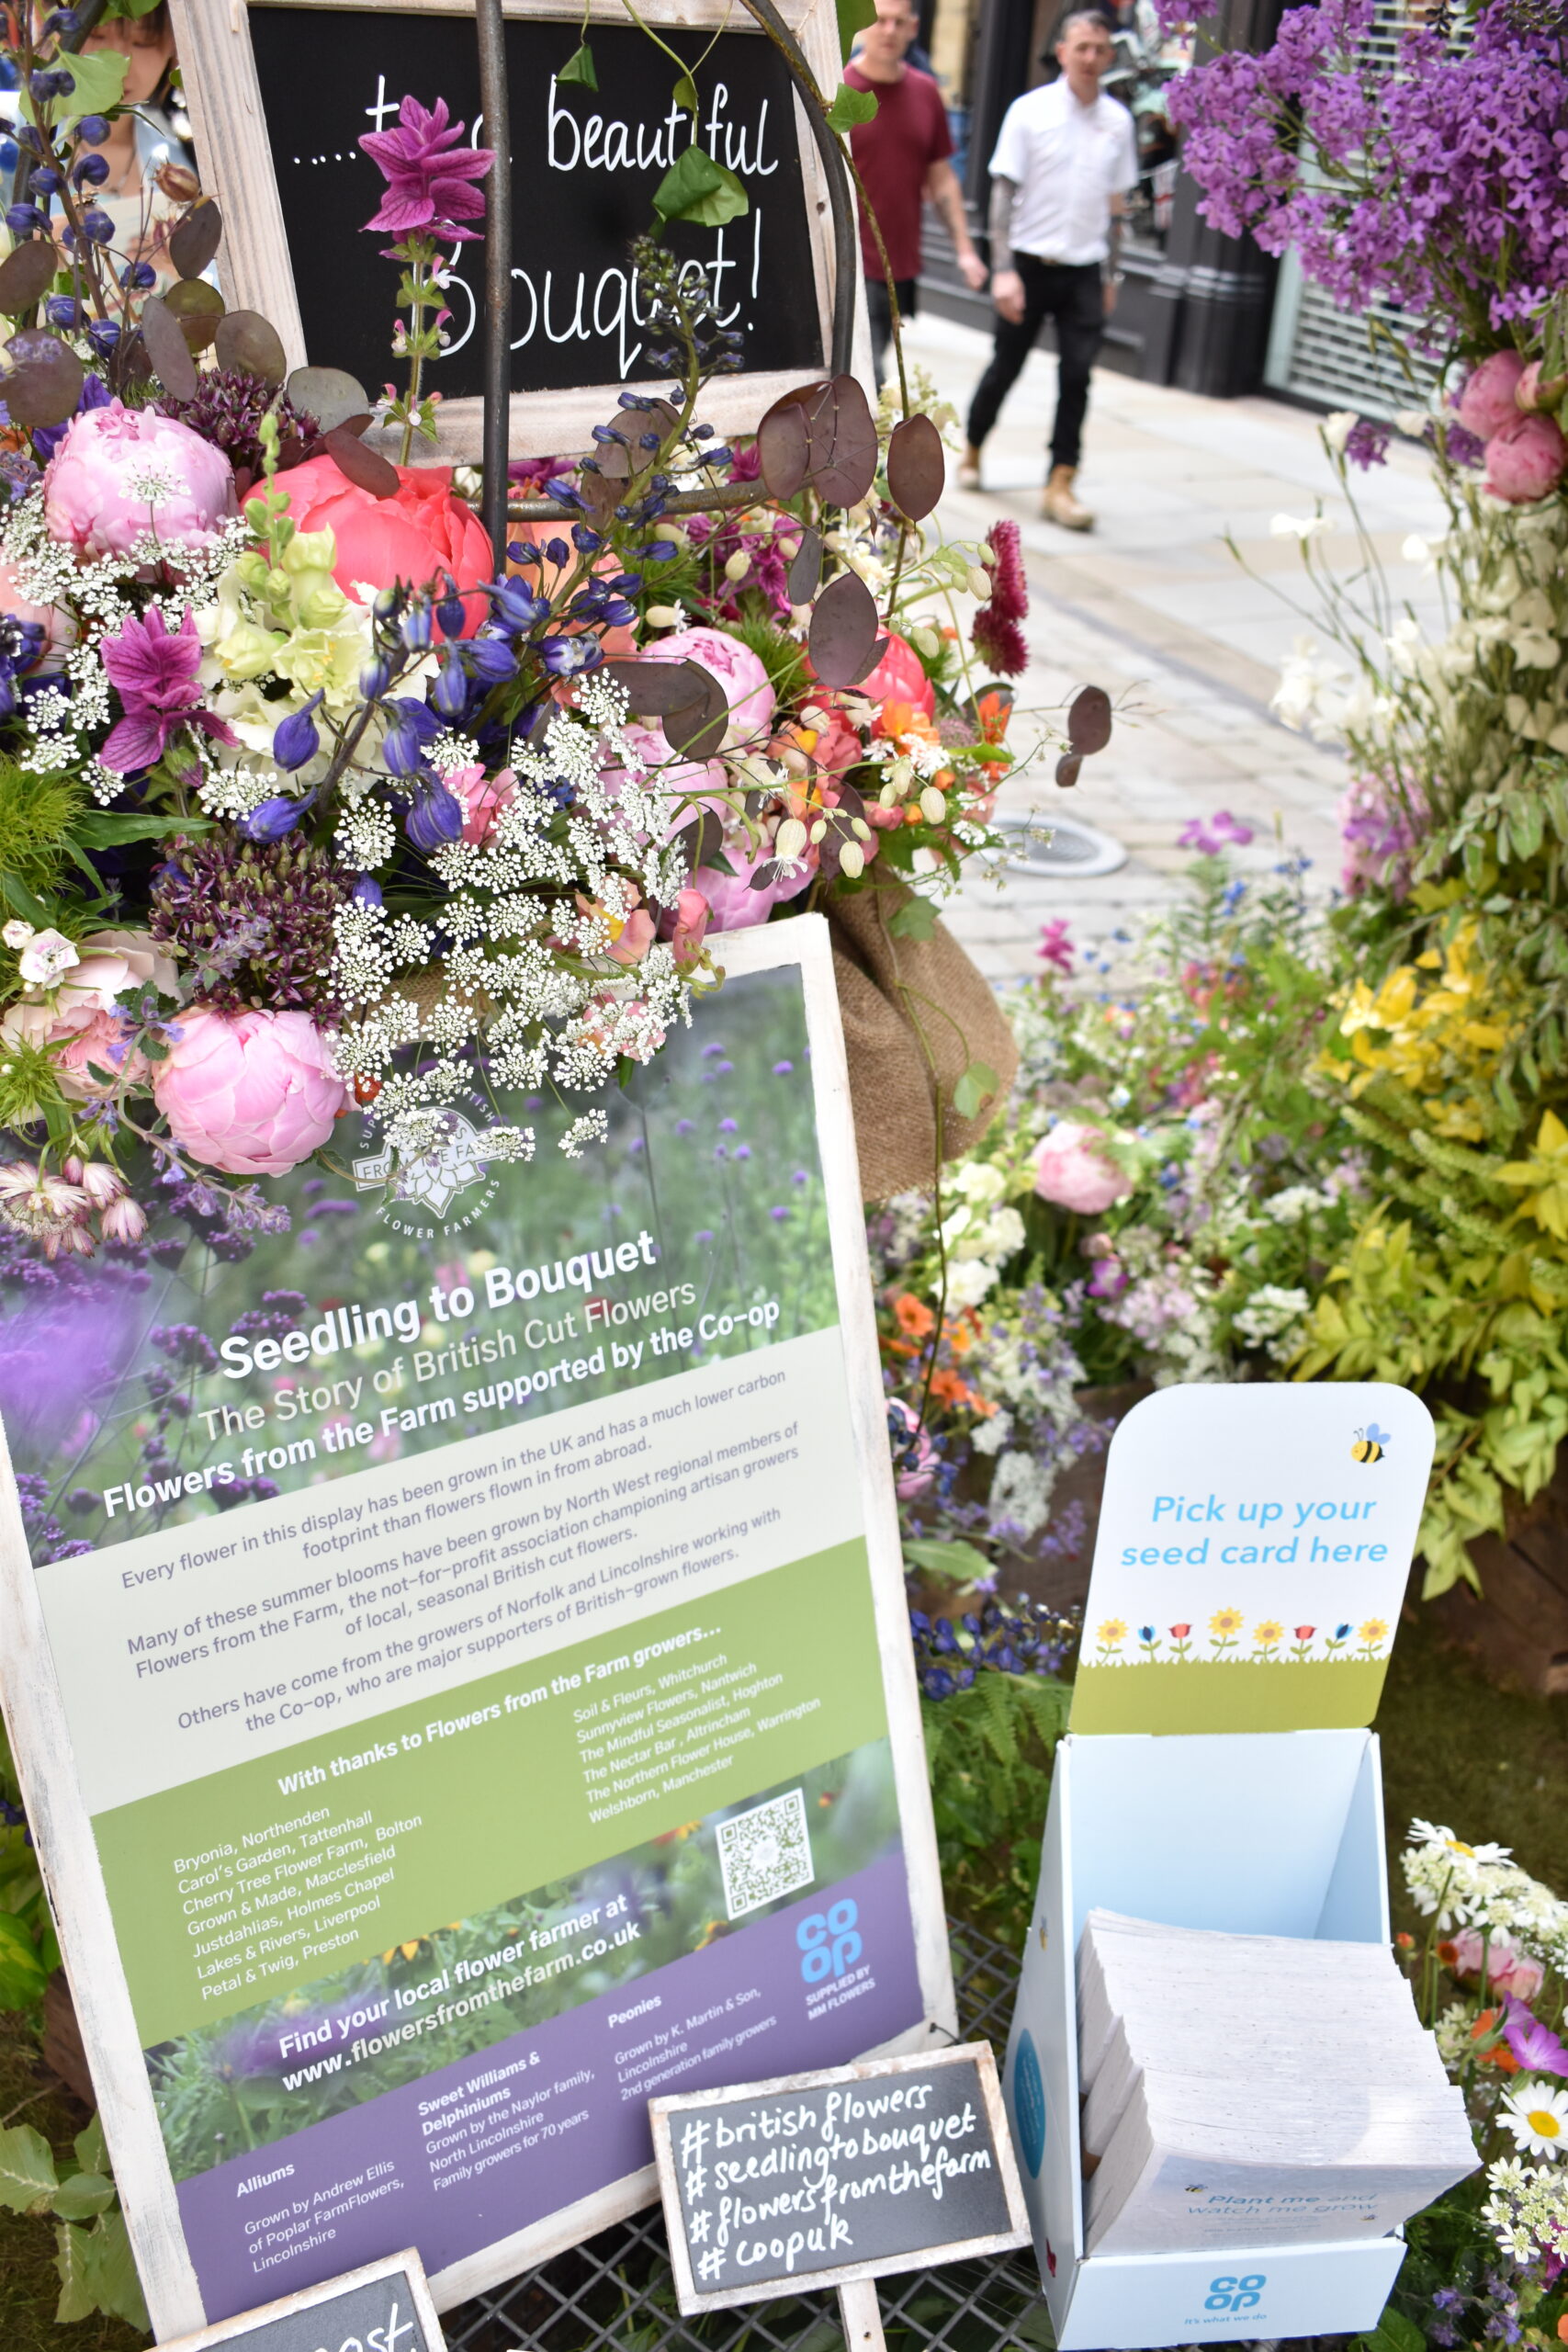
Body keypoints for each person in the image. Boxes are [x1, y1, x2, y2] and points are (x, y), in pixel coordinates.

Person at [959, 12, 1137, 529]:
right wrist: (1004, 269)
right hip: (1030, 266)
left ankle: (1061, 480)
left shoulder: (1118, 122)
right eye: (1081, 47)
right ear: (1061, 51)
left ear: (1108, 56)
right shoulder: (1029, 112)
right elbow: (1002, 194)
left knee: (1078, 376)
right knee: (1005, 367)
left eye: (1099, 49)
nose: (1090, 58)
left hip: (1085, 269)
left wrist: (1112, 276)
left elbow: (1118, 207)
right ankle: (972, 446)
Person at [843, 0, 987, 387]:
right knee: (866, 377)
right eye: (881, 21)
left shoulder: (925, 93)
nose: (889, 30)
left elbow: (941, 179)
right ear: (865, 26)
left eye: (899, 22)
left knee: (873, 368)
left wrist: (965, 249)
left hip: (900, 261)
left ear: (913, 28)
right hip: (847, 260)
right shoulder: (838, 89)